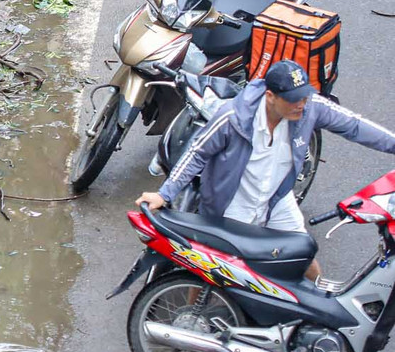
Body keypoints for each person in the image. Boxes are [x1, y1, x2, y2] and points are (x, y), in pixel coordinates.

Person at [137, 60, 395, 281]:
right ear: (270, 97)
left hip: (276, 200)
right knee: (214, 274)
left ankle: (320, 310)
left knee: (303, 256)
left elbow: (355, 125)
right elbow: (196, 153)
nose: (301, 104)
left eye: (304, 97)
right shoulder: (232, 118)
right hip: (231, 207)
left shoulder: (309, 108)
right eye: (293, 100)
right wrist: (164, 194)